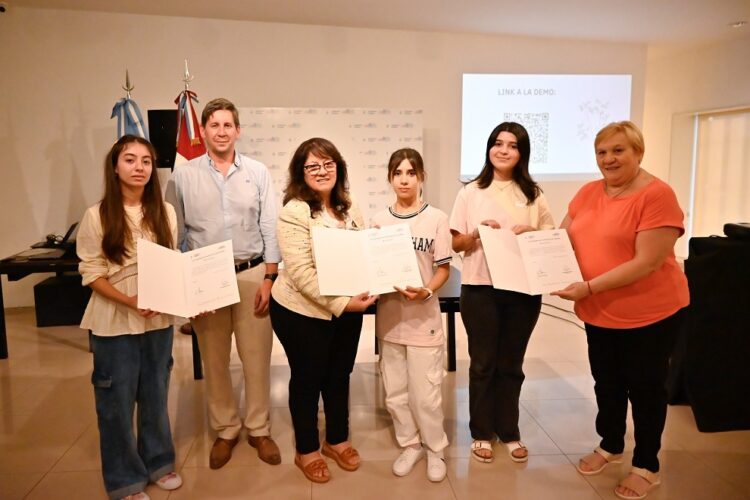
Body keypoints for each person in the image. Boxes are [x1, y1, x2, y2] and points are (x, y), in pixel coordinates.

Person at [552, 121, 689, 500]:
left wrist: (589, 286)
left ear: (638, 152)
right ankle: (610, 445)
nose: (608, 159)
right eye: (602, 152)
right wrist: (525, 240)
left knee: (646, 389)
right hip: (600, 311)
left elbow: (646, 262)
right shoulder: (588, 192)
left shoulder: (657, 195)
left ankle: (647, 464)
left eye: (618, 150)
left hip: (650, 313)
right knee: (606, 381)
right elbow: (561, 239)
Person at [165, 98, 282, 469]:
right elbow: (176, 232)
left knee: (256, 357)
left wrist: (269, 277)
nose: (221, 131)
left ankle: (259, 428)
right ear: (202, 131)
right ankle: (226, 429)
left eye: (227, 125)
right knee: (214, 359)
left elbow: (269, 226)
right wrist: (185, 284)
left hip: (250, 273)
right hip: (205, 275)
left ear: (238, 130)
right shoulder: (182, 176)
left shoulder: (258, 172)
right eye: (213, 125)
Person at [78, 135, 182, 500]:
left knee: (155, 391)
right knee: (116, 401)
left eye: (146, 161)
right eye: (130, 159)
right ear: (115, 166)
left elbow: (170, 262)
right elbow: (91, 272)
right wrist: (128, 300)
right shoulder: (97, 214)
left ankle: (159, 461)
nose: (139, 167)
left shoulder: (164, 212)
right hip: (114, 318)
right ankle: (124, 479)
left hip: (158, 318)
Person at [269, 137, 377, 483]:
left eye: (328, 164)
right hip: (301, 310)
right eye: (313, 165)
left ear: (338, 167)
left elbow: (360, 251)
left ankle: (337, 439)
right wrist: (344, 303)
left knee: (339, 373)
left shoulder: (350, 203)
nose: (322, 171)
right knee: (308, 378)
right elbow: (300, 273)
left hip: (345, 310)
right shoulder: (294, 210)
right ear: (301, 172)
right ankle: (307, 449)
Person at [449, 122, 554, 464]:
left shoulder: (533, 194)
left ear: (522, 152)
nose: (504, 150)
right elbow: (456, 242)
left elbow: (550, 240)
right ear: (489, 148)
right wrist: (477, 234)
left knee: (512, 364)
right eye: (498, 143)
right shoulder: (470, 192)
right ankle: (481, 432)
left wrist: (531, 232)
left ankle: (509, 430)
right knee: (483, 364)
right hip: (480, 288)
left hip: (523, 290)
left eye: (512, 145)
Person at [372, 148, 452, 482]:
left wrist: (427, 290)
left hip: (424, 322)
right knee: (395, 393)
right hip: (390, 322)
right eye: (398, 173)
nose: (404, 179)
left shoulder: (437, 218)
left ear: (421, 177)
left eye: (411, 172)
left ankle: (435, 448)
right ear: (390, 178)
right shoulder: (379, 220)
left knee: (427, 395)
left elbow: (443, 269)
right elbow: (372, 267)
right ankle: (411, 444)